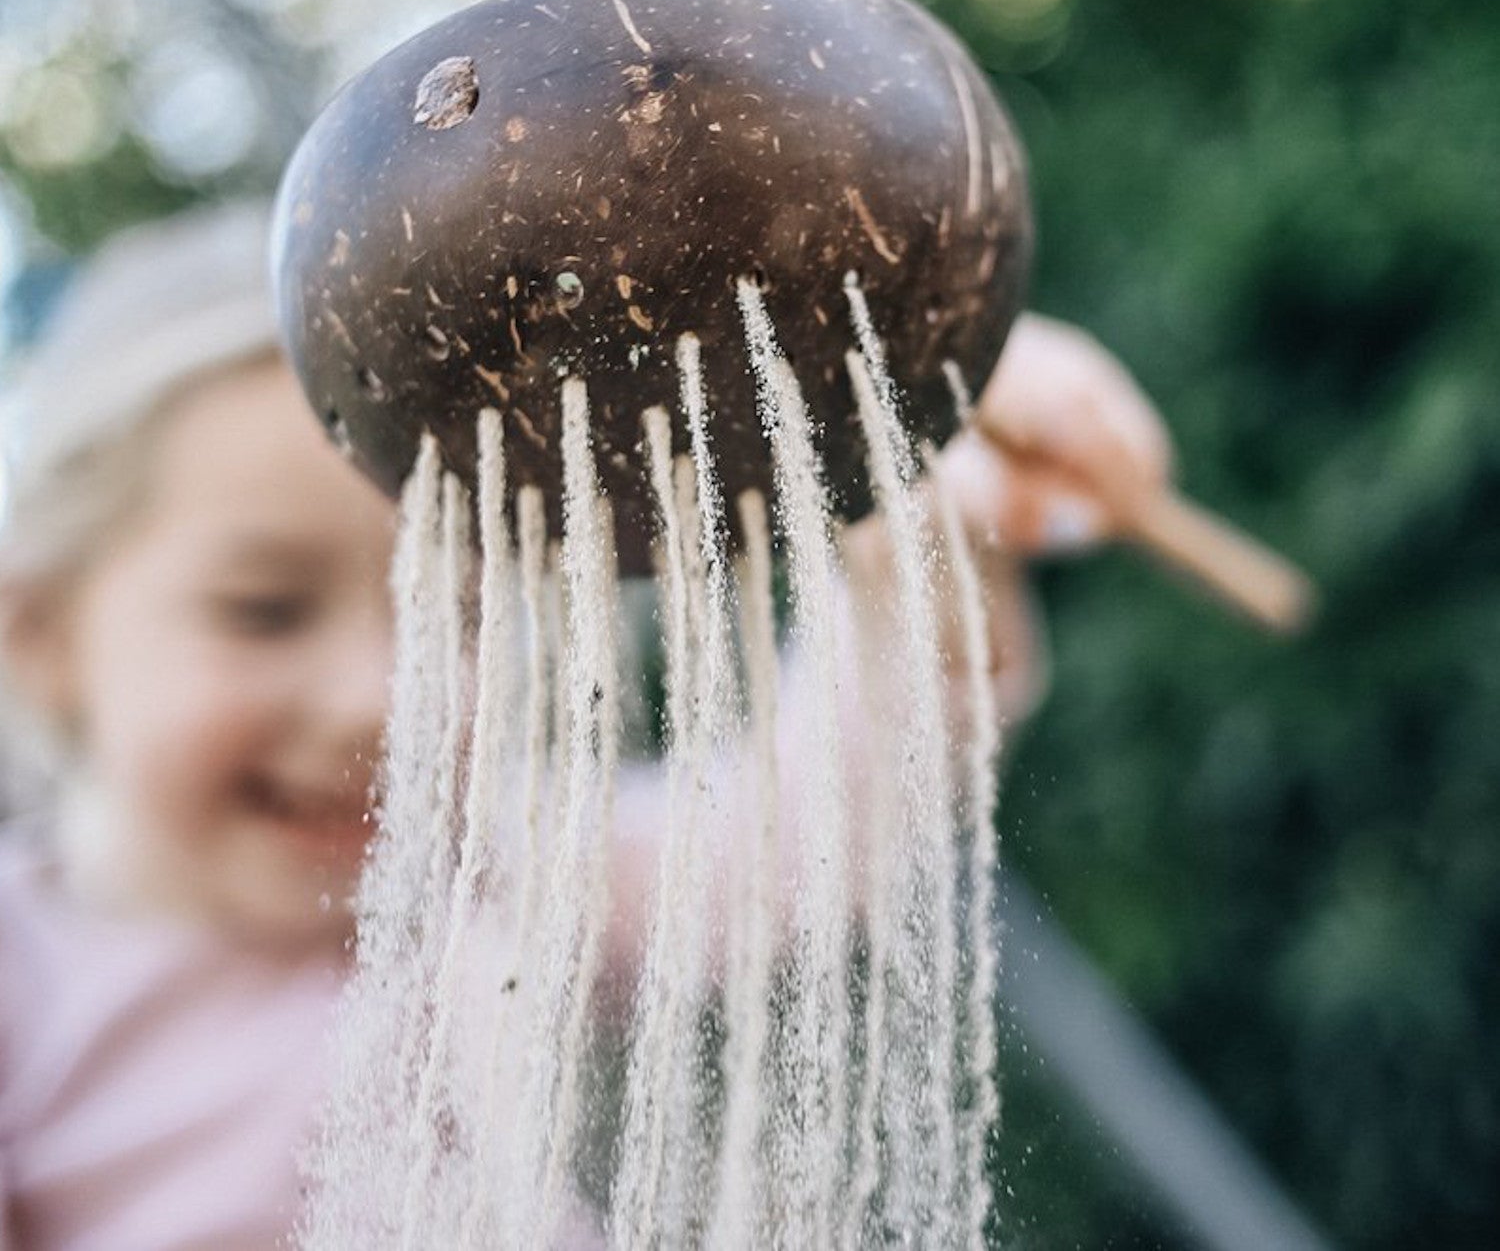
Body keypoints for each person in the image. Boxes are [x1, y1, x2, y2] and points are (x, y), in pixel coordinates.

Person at [0, 202, 1171, 1250]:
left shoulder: (499, 874)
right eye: (263, 612)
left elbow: (813, 832)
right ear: (39, 633)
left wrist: (920, 507)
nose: (379, 698)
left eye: (459, 613)